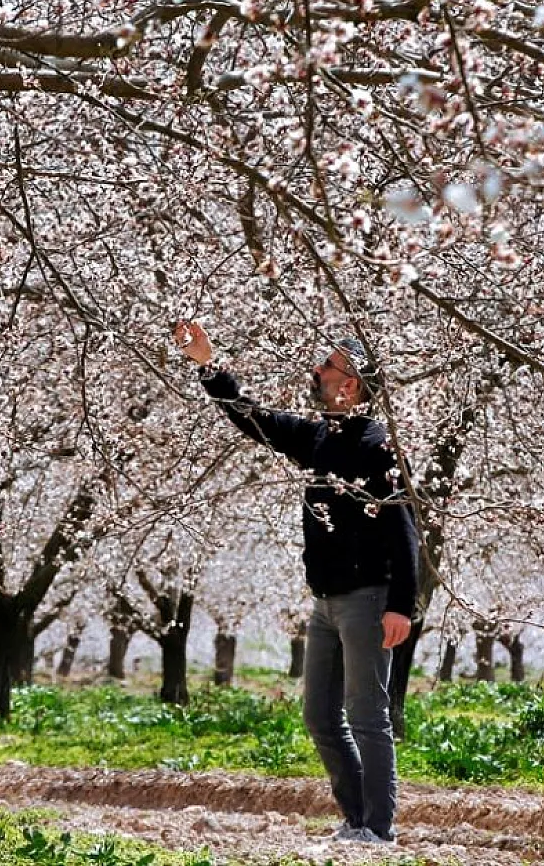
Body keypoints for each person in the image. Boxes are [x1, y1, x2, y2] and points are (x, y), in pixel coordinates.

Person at [172, 320, 419, 845]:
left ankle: (379, 828)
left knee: (368, 716)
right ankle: (356, 819)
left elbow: (404, 528)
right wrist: (208, 365)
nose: (317, 371)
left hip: (368, 600)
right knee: (319, 717)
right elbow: (256, 421)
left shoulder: (377, 447)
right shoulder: (322, 438)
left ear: (348, 384)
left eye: (327, 366)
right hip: (326, 602)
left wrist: (401, 604)